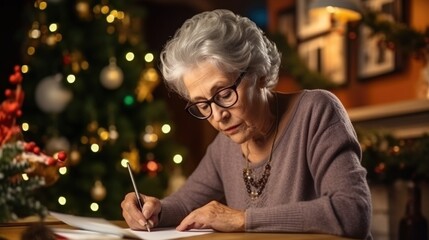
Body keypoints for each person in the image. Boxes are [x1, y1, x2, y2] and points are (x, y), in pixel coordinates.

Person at [121, 9, 372, 239]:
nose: (218, 115)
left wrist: (242, 219)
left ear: (258, 74)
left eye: (224, 94)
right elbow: (186, 203)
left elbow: (352, 210)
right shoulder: (224, 145)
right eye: (202, 104)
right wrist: (155, 209)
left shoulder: (316, 111)